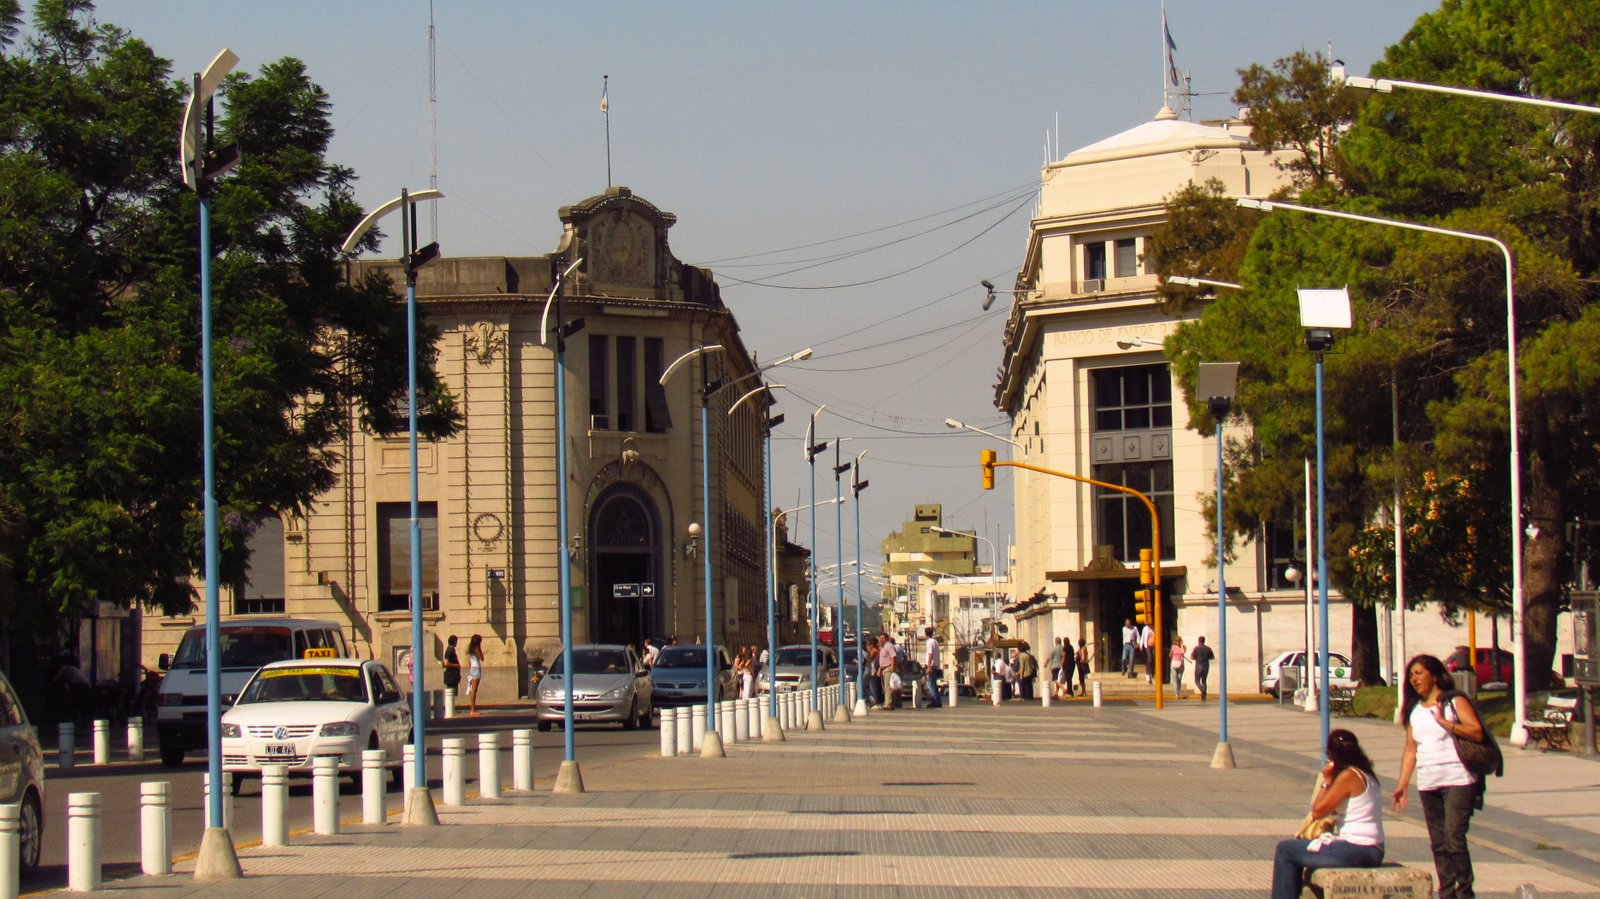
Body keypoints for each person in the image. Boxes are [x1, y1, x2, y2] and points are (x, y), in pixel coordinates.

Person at [1392, 653, 1484, 899]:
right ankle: (1446, 892)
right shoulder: (1414, 710)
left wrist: (1448, 724)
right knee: (1439, 843)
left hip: (1458, 779)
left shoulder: (1454, 702)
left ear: (1434, 675)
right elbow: (1411, 749)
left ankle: (1465, 891)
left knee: (1454, 838)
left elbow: (1476, 731)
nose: (1414, 679)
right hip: (1429, 782)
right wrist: (1402, 784)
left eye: (1419, 673)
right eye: (1411, 675)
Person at [1270, 728, 1386, 899]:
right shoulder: (1367, 774)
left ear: (1333, 756)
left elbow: (1317, 811)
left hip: (1357, 848)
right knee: (1298, 849)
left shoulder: (1349, 776)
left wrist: (1327, 780)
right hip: (1374, 847)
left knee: (1286, 850)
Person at [877, 636, 901, 710]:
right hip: (883, 668)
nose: (881, 640)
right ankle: (890, 702)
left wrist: (892, 666)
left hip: (888, 668)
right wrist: (879, 670)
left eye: (883, 638)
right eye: (880, 638)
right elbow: (882, 660)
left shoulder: (889, 646)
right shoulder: (882, 647)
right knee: (886, 687)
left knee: (888, 687)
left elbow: (893, 656)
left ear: (887, 639)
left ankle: (888, 704)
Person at [1190, 636, 1214, 701]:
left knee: (1197, 681)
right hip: (1206, 665)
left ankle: (1202, 690)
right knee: (1204, 681)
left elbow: (1192, 657)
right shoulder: (1208, 648)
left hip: (1198, 665)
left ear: (1199, 641)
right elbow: (1212, 657)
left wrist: (1195, 658)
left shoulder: (1196, 648)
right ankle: (1203, 694)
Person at [464, 634, 484, 716]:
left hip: (472, 668)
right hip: (476, 668)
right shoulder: (476, 648)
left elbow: (469, 661)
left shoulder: (470, 649)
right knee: (474, 690)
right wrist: (480, 650)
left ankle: (473, 708)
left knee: (473, 689)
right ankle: (472, 709)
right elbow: (482, 658)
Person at [922, 627, 942, 708]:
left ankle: (934, 701)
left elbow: (930, 654)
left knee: (931, 684)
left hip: (931, 665)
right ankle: (938, 701)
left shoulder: (929, 642)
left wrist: (929, 666)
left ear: (926, 633)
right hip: (936, 665)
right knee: (934, 684)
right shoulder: (935, 641)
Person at [441, 635, 462, 701]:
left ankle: (452, 707)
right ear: (454, 642)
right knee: (451, 692)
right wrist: (456, 665)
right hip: (451, 675)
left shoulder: (451, 650)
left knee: (453, 693)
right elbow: (446, 663)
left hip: (453, 675)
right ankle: (451, 708)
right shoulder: (449, 651)